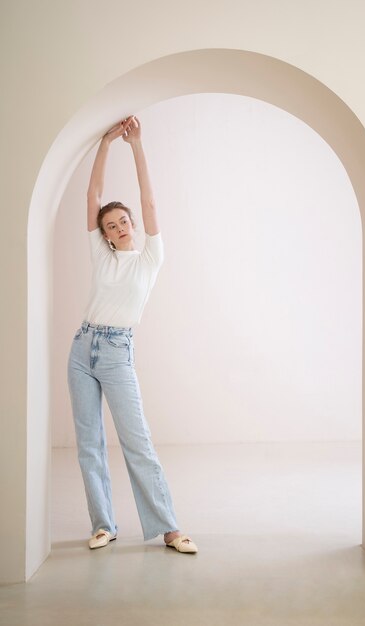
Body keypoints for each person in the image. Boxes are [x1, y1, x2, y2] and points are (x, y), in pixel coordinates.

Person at [67, 115, 197, 554]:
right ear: (104, 235)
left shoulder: (149, 258)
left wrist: (136, 146)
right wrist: (104, 143)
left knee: (136, 440)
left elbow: (150, 200)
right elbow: (92, 196)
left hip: (118, 352)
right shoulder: (102, 257)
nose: (120, 227)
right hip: (83, 348)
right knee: (89, 442)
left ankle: (170, 528)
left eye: (124, 221)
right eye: (111, 225)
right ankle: (104, 524)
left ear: (134, 225)